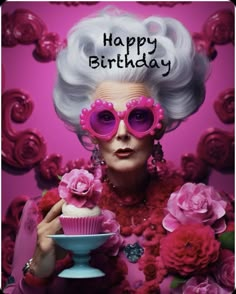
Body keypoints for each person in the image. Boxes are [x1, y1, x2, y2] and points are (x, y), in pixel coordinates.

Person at [4, 6, 222, 294]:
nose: (122, 134)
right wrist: (39, 271)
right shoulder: (45, 215)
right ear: (89, 131)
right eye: (105, 118)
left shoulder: (206, 211)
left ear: (160, 123)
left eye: (139, 116)